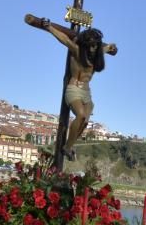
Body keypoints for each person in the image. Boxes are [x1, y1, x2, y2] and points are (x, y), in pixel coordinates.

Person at [30, 16, 117, 160]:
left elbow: (106, 48)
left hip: (87, 92)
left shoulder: (97, 54)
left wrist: (110, 47)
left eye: (95, 46)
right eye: (91, 46)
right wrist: (49, 27)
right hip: (74, 89)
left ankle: (69, 147)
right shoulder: (77, 51)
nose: (93, 49)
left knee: (85, 121)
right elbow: (64, 38)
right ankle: (67, 148)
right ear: (86, 44)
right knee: (80, 115)